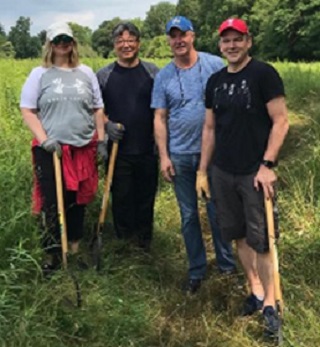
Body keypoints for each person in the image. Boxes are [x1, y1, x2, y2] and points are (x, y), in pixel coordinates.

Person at [197, 18, 289, 336]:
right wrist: (202, 171)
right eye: (226, 41)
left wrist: (267, 164)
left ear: (248, 41)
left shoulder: (264, 74)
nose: (231, 46)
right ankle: (256, 291)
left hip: (254, 172)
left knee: (261, 240)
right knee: (237, 234)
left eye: (237, 39)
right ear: (220, 45)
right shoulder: (215, 81)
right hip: (223, 170)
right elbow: (209, 128)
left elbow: (281, 121)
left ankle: (271, 306)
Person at [152, 15, 236, 294]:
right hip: (180, 155)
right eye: (173, 36)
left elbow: (227, 105)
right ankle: (196, 270)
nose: (178, 40)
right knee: (188, 215)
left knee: (217, 211)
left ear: (193, 36)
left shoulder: (214, 64)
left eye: (183, 34)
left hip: (213, 154)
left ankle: (227, 266)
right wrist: (164, 156)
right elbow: (160, 118)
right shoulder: (163, 76)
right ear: (169, 40)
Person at [20, 22, 106, 274]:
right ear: (49, 44)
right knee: (51, 203)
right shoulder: (39, 74)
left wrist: (100, 140)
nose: (62, 44)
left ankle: (74, 250)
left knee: (77, 201)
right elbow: (28, 109)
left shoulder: (86, 73)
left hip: (82, 148)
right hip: (50, 150)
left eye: (66, 39)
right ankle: (52, 254)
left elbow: (97, 108)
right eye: (57, 39)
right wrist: (44, 139)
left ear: (73, 42)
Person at [96, 22, 159, 250]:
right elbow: (96, 110)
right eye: (121, 41)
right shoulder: (103, 75)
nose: (126, 45)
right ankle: (123, 242)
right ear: (114, 45)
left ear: (138, 43)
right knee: (121, 198)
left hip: (147, 148)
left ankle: (144, 243)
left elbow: (161, 111)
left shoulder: (153, 73)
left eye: (131, 40)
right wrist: (107, 124)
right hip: (117, 150)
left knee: (145, 197)